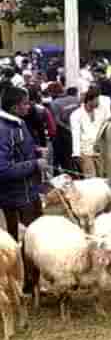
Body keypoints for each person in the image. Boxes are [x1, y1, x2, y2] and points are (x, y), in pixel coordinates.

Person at [0, 86, 46, 242]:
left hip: (27, 192)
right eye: (25, 103)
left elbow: (19, 152)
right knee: (28, 242)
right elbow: (3, 169)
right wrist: (35, 164)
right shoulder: (4, 130)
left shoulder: (18, 123)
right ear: (14, 107)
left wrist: (35, 150)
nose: (29, 106)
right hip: (16, 198)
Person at [70, 87, 110, 177]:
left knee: (104, 178)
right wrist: (76, 153)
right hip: (86, 151)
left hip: (101, 150)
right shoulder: (76, 115)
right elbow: (75, 134)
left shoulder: (101, 110)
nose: (99, 102)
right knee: (91, 179)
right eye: (97, 100)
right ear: (90, 100)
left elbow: (107, 126)